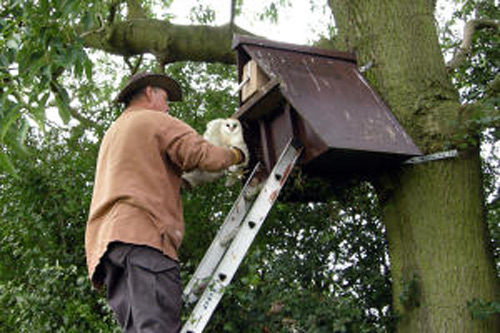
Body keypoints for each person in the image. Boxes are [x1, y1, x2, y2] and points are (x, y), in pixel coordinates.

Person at [85, 72, 246, 332]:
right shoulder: (155, 120)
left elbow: (151, 178)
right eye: (166, 98)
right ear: (150, 93)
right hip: (145, 241)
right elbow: (202, 155)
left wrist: (186, 179)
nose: (168, 107)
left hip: (109, 249)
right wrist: (236, 154)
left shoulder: (115, 132)